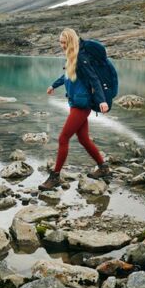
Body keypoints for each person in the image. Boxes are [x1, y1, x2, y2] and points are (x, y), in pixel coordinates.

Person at [38, 28, 112, 191]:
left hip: (81, 105)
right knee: (83, 139)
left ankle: (55, 176)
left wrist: (102, 101)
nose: (62, 45)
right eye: (60, 42)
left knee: (63, 138)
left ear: (71, 41)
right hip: (75, 103)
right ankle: (103, 168)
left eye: (64, 42)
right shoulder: (71, 58)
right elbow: (67, 76)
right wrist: (53, 85)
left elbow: (94, 79)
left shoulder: (81, 58)